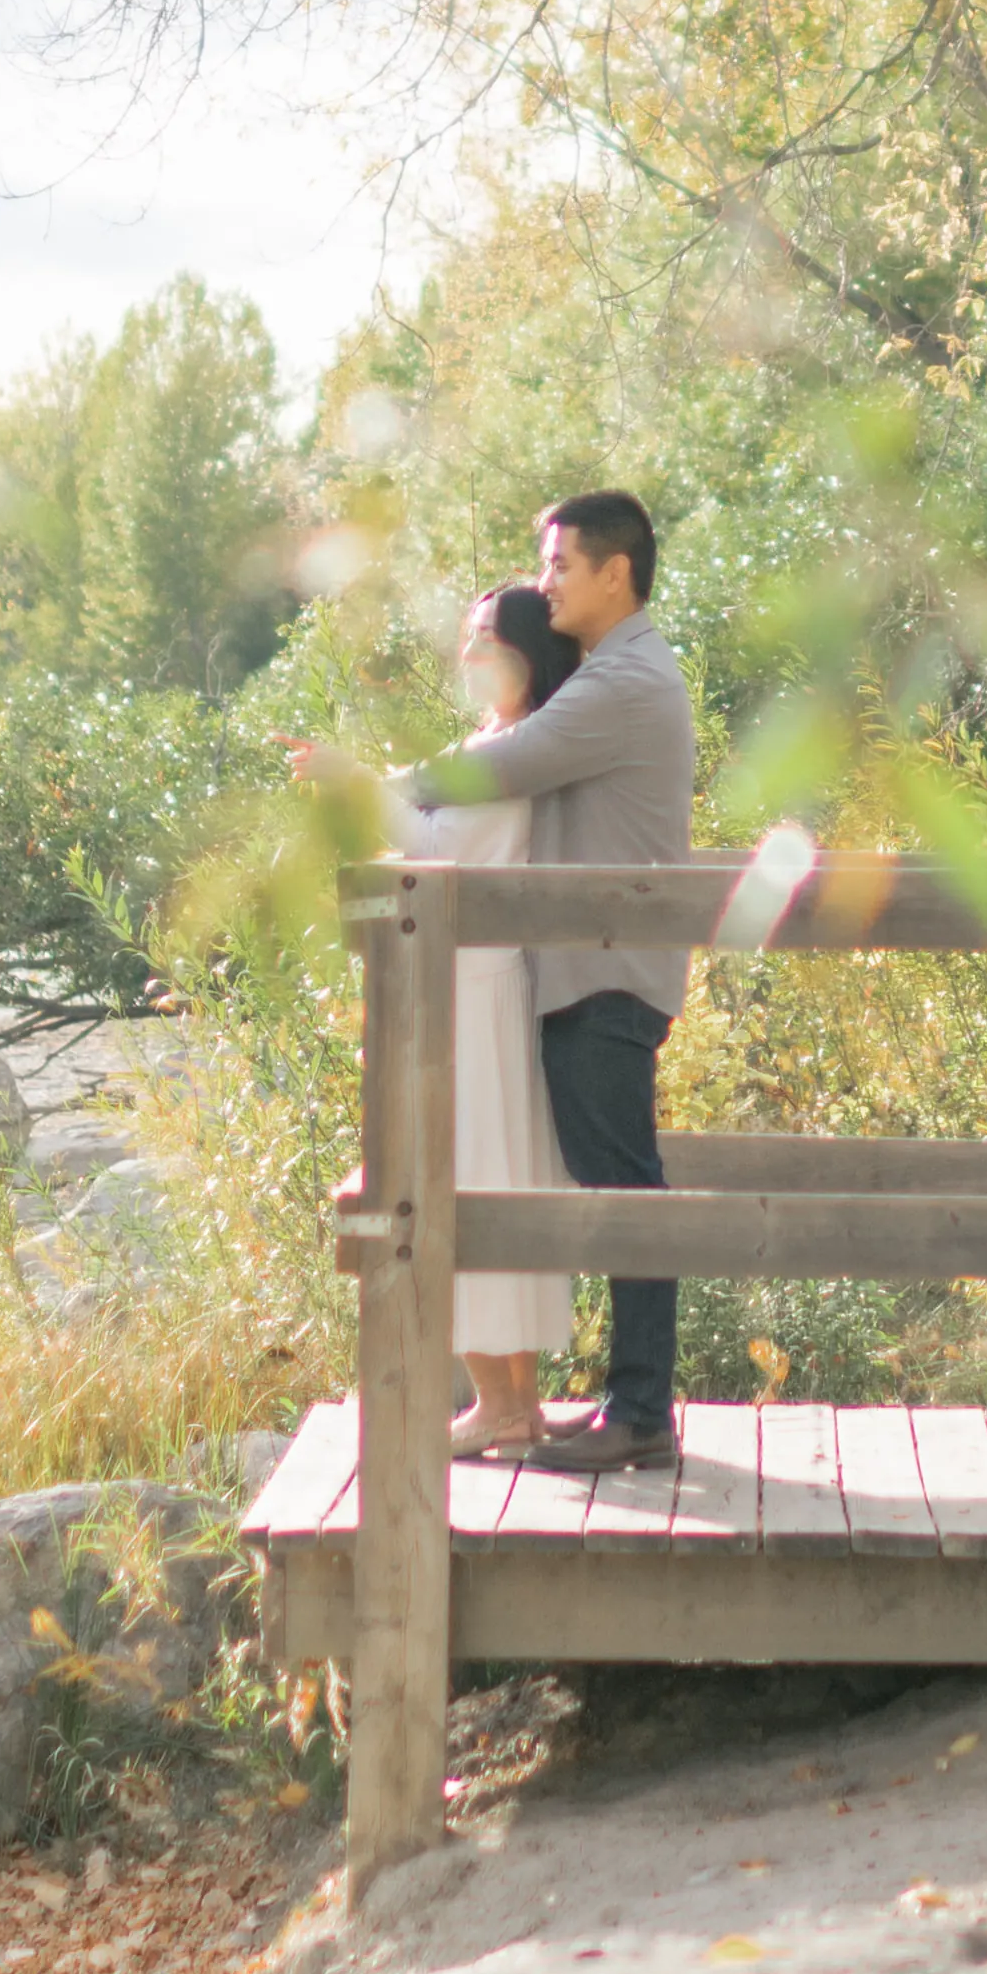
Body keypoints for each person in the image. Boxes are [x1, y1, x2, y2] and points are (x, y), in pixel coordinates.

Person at [397, 488, 693, 1465]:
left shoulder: (625, 684)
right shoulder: (609, 676)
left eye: (560, 565)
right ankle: (628, 1405)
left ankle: (641, 1414)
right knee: (611, 1186)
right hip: (583, 964)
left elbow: (502, 766)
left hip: (606, 965)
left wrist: (377, 787)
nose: (545, 581)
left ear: (617, 572)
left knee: (624, 1190)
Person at [407, 578, 575, 1460]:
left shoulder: (516, 753)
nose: (468, 656)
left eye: (485, 641)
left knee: (480, 1170)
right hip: (465, 981)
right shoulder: (488, 744)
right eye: (466, 640)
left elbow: (441, 854)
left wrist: (364, 793)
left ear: (524, 656)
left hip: (481, 982)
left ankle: (506, 1402)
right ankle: (503, 1400)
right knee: (474, 1166)